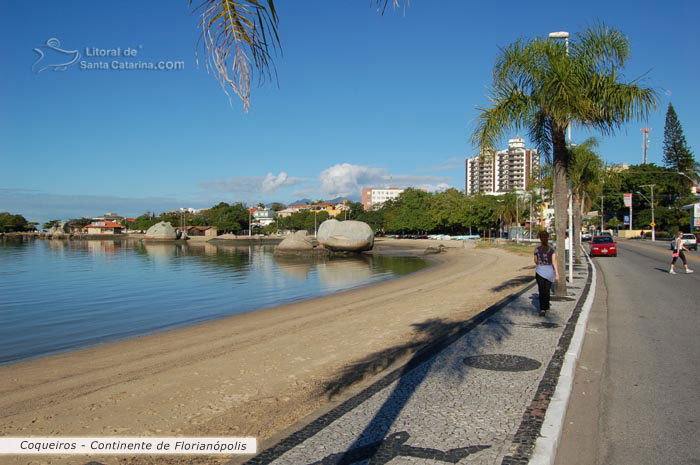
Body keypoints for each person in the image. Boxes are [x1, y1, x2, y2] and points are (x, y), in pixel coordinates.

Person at [534, 231, 559, 316]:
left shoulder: (537, 249)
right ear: (548, 238)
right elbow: (554, 262)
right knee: (547, 290)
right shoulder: (551, 250)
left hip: (540, 271)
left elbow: (535, 261)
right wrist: (557, 273)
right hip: (549, 271)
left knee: (541, 290)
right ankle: (547, 305)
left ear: (540, 239)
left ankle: (542, 309)